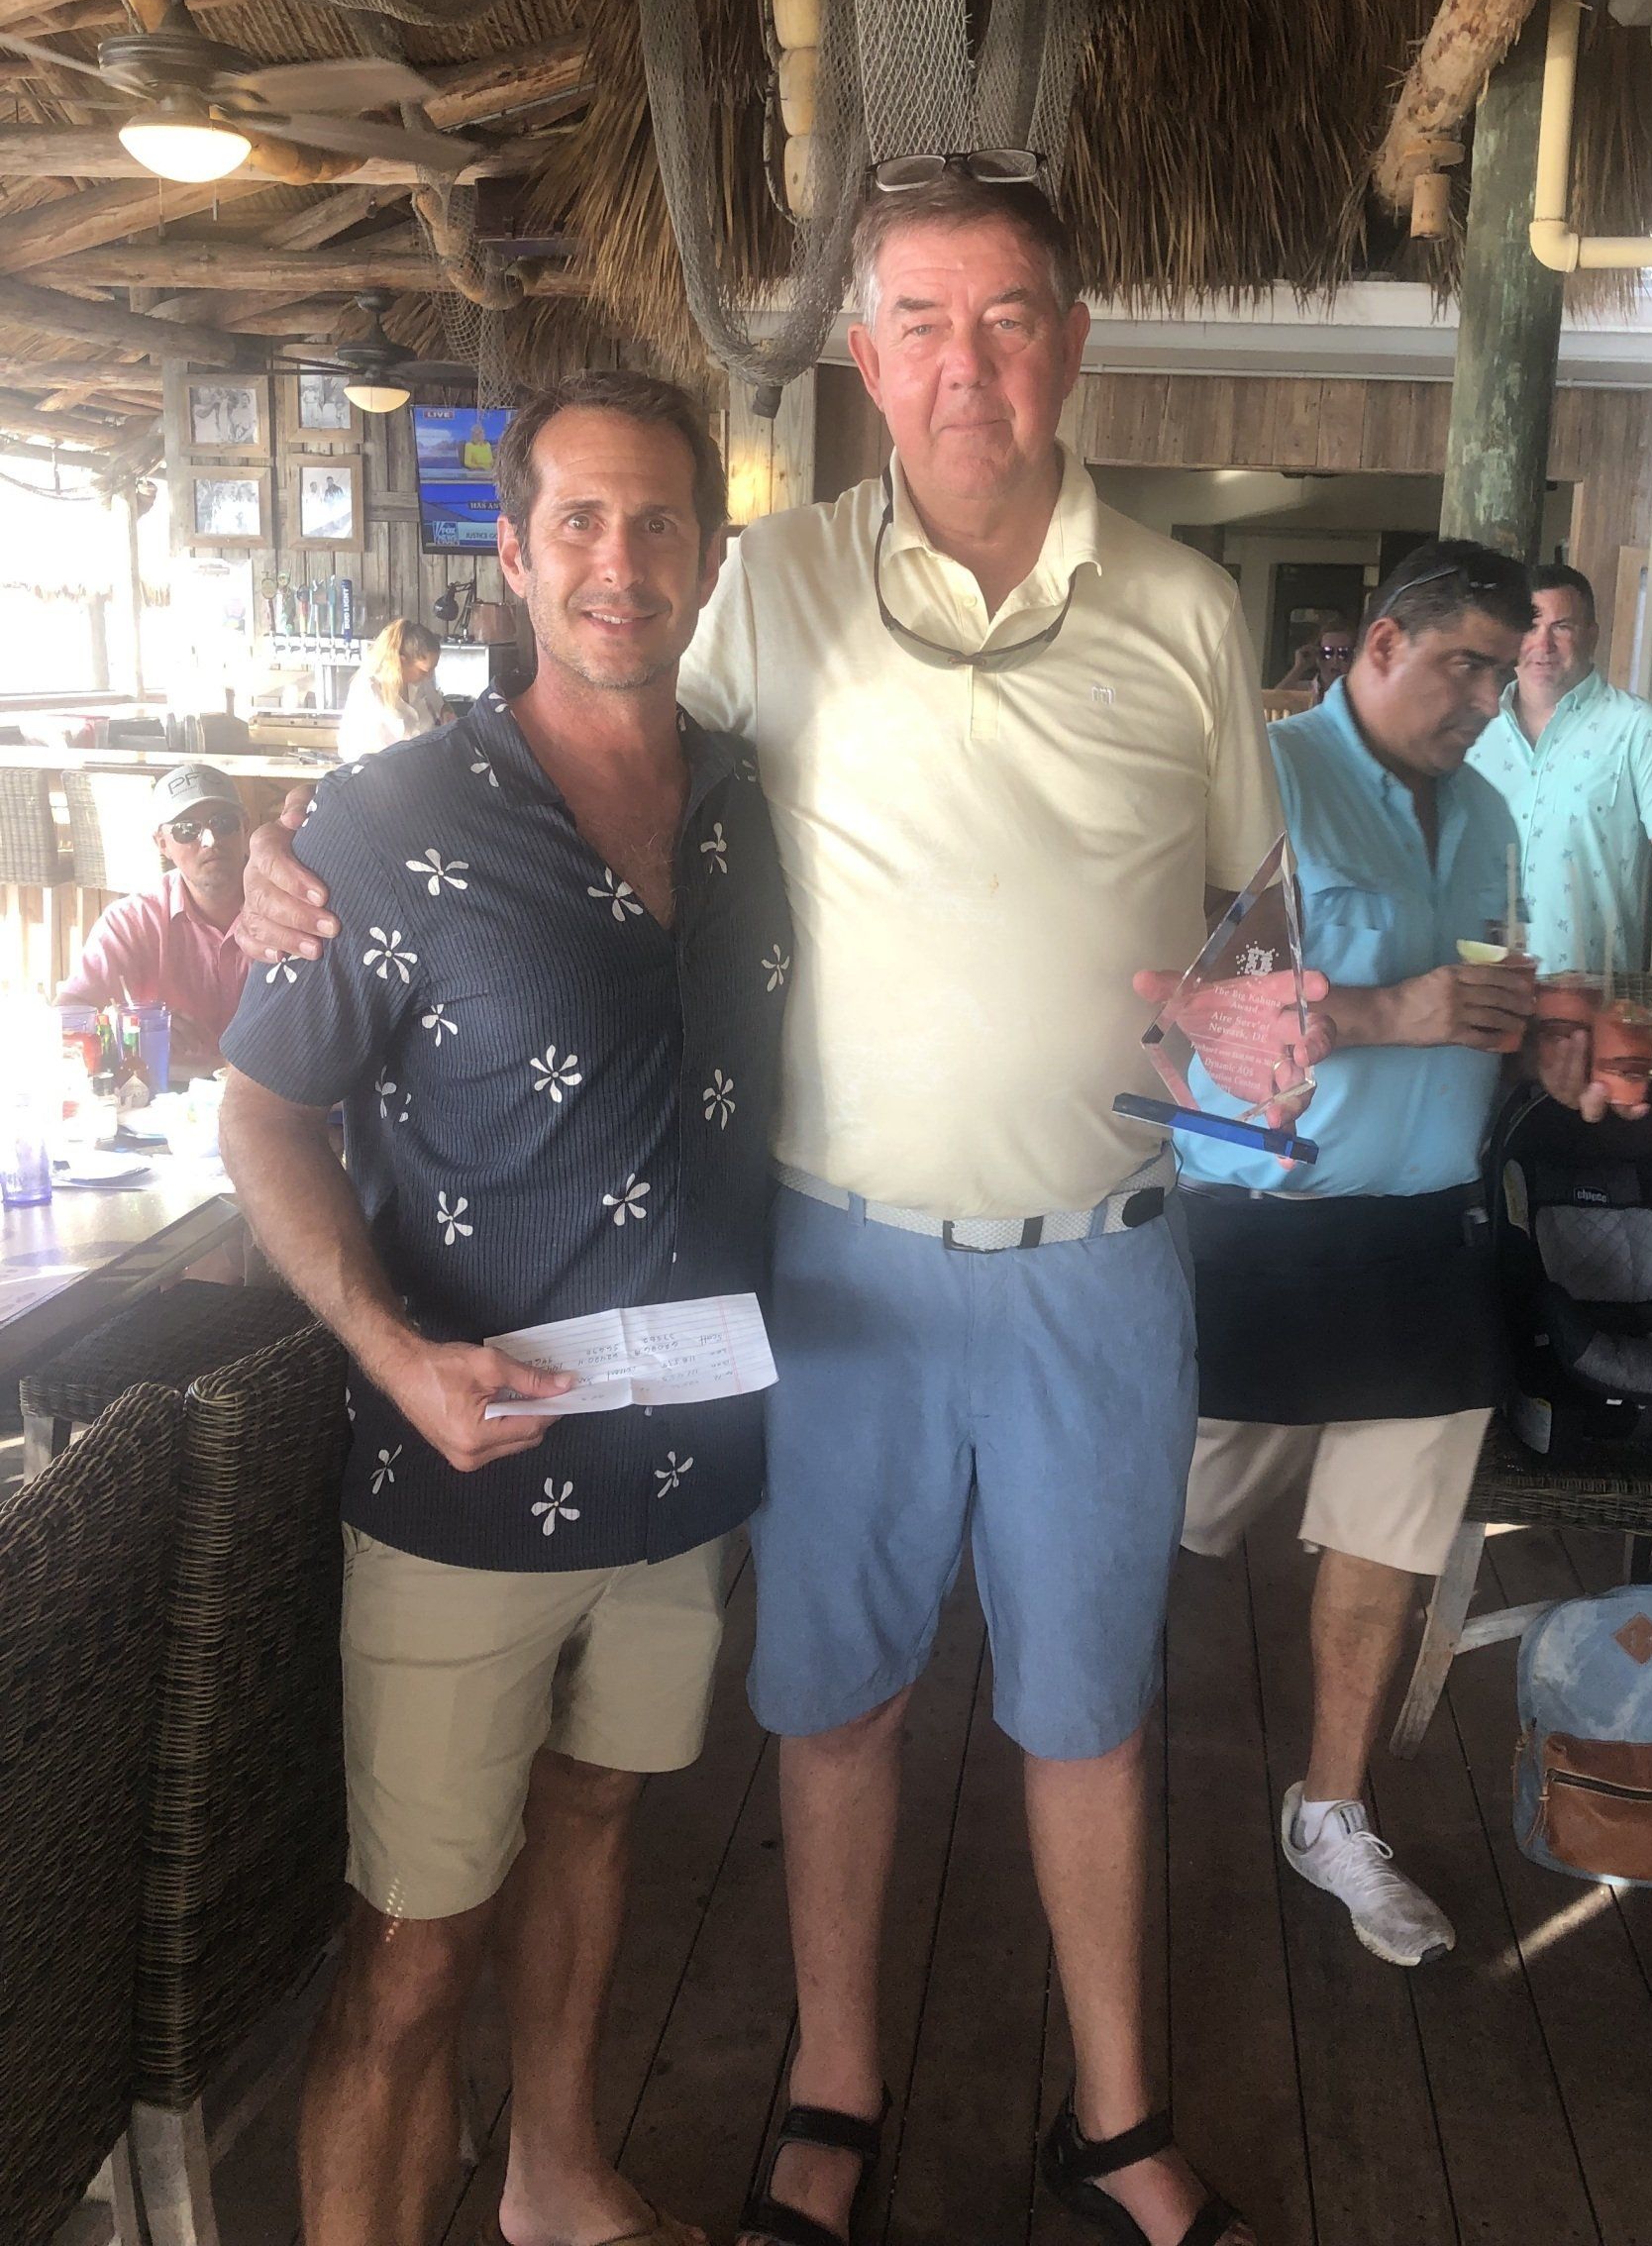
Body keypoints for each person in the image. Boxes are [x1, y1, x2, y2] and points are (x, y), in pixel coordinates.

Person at [237, 174, 1322, 2246]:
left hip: (1099, 1261)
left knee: (1088, 1713)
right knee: (831, 1703)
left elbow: (1251, 911)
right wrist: (296, 840)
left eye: (1009, 318)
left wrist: (1265, 1017)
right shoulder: (779, 590)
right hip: (826, 1269)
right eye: (919, 320)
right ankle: (834, 2083)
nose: (966, 362)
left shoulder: (1189, 607)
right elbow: (564, 727)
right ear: (866, 362)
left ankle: (1113, 2114)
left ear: (1074, 340)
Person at [217, 372, 790, 2246]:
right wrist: (389, 1353)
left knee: (606, 1822)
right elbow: (262, 1107)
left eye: (657, 527)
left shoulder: (750, 804)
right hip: (467, 1465)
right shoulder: (382, 824)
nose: (619, 564)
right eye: (579, 525)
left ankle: (555, 2173)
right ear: (514, 556)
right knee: (411, 1941)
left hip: (681, 1456)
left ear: (709, 559)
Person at [1158, 541, 1623, 1970]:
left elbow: (1477, 989)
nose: (1488, 694)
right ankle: (1095, 1763)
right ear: (1378, 644)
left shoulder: (1485, 812)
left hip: (1425, 1229)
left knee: (1385, 1548)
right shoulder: (1262, 773)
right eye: (1462, 664)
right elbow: (1187, 1001)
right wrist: (1392, 1014)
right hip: (1251, 1227)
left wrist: (1547, 1034)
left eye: (1512, 662)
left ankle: (1335, 1807)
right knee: (1149, 1531)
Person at [1467, 562, 1652, 973]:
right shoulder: (1472, 725)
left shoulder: (1639, 728)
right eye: (1531, 626)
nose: (1542, 644)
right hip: (1474, 986)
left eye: (1562, 627)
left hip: (1588, 992)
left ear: (1592, 635)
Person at [57, 762, 249, 1077]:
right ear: (162, 844)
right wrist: (134, 1026)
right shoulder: (131, 921)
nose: (210, 840)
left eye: (223, 823)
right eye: (187, 829)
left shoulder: (288, 908)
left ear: (245, 827)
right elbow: (68, 1016)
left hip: (272, 1097)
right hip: (163, 1098)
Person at [338, 617, 453, 762]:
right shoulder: (369, 690)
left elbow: (441, 706)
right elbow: (354, 752)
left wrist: (446, 712)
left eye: (432, 670)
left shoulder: (420, 682)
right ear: (401, 661)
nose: (429, 677)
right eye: (424, 671)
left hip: (425, 769)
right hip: (383, 777)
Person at [1269, 608, 1355, 702]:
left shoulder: (1360, 693)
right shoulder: (1301, 690)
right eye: (1327, 652)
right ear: (1317, 654)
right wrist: (1298, 668)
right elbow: (1272, 702)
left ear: (1354, 656)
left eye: (1343, 653)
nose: (1335, 660)